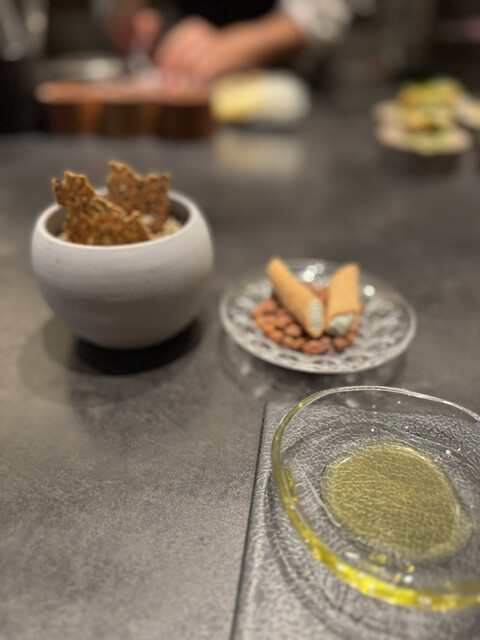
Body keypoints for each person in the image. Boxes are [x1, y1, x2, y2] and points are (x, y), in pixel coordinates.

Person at [97, 0, 352, 82]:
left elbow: (327, 11)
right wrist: (128, 13)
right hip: (182, 86)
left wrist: (238, 45)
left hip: (290, 96)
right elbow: (117, 12)